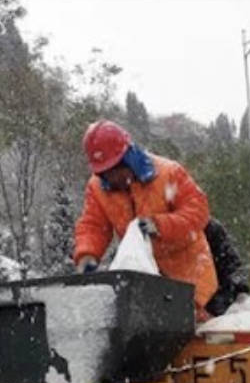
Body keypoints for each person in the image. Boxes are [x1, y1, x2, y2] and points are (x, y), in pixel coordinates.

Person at [73, 120, 218, 317]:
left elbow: (198, 213)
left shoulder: (169, 173)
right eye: (104, 173)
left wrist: (160, 225)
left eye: (114, 169)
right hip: (145, 287)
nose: (111, 178)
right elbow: (93, 226)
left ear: (129, 157)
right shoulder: (98, 188)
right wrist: (87, 255)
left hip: (191, 280)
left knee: (194, 338)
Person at [204, 217, 250, 316]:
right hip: (215, 305)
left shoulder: (210, 228)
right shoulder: (210, 227)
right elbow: (231, 264)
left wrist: (240, 290)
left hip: (214, 306)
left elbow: (231, 265)